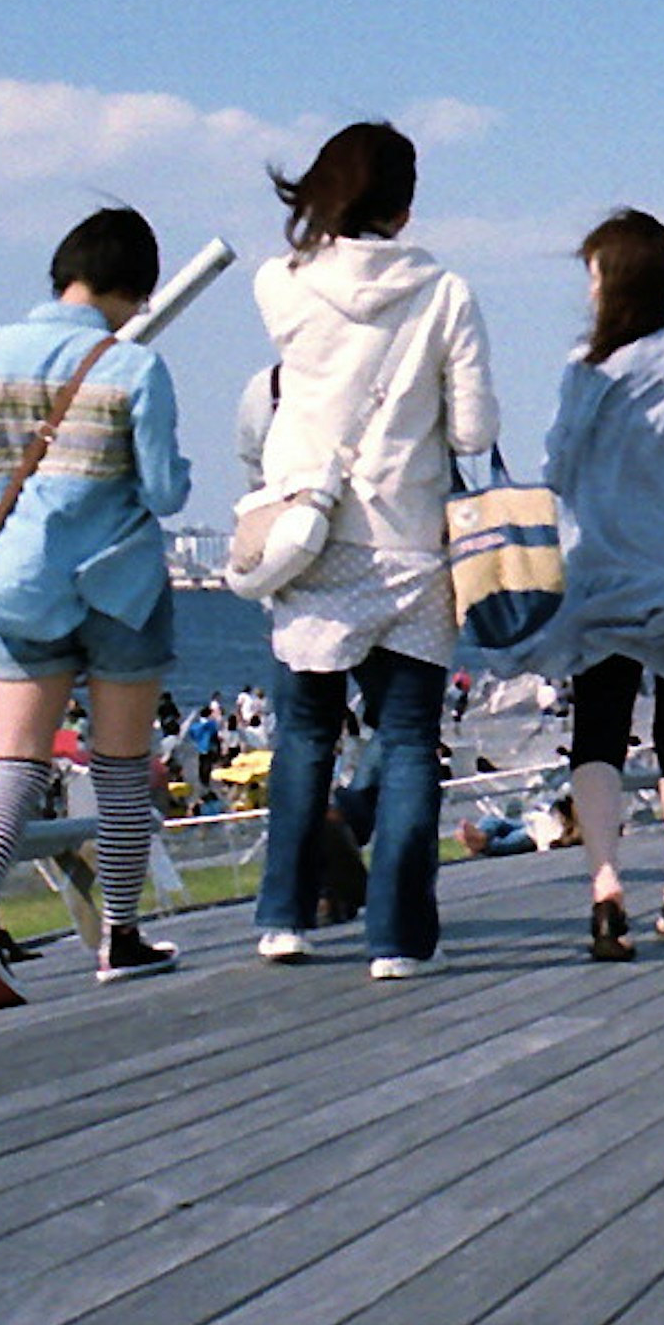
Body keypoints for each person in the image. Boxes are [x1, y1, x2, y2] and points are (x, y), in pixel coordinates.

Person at [248, 122, 499, 980]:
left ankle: (283, 917)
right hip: (409, 543)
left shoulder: (281, 284)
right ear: (404, 202)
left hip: (313, 537)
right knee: (406, 738)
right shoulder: (447, 292)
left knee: (306, 734)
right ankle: (395, 934)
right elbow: (474, 428)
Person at [0, 206, 192, 1009]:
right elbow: (164, 490)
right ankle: (119, 934)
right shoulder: (132, 365)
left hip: (16, 583)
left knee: (14, 761)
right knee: (118, 768)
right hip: (117, 586)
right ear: (134, 287)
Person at [526, 209, 664, 956]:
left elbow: (556, 466)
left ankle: (605, 880)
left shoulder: (586, 368)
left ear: (614, 282)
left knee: (598, 730)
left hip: (605, 570)